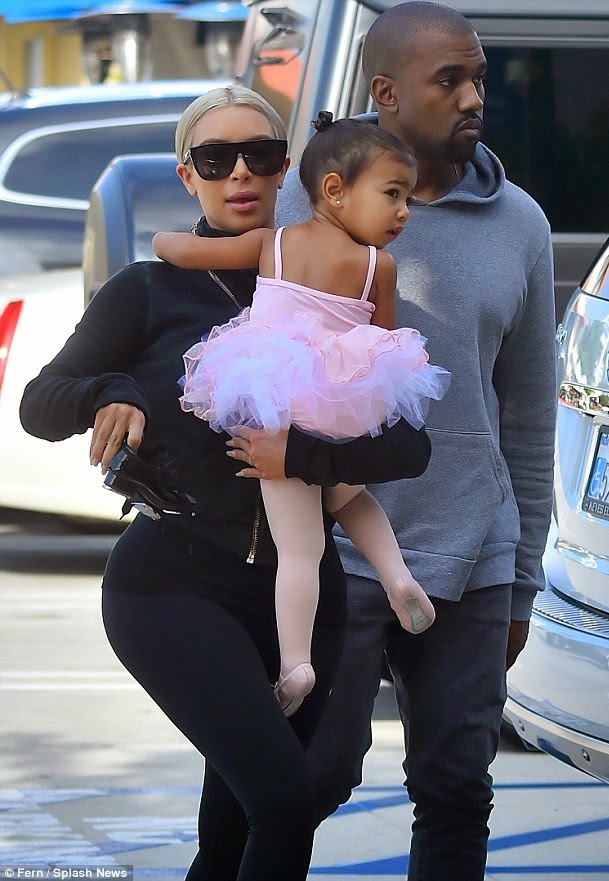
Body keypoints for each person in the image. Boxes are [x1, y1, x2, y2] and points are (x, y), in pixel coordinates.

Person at [18, 85, 433, 881]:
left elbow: (409, 445)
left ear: (287, 170)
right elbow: (40, 402)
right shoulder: (148, 288)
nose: (239, 173)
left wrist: (299, 455)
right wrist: (109, 392)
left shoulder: (341, 274)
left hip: (299, 596)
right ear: (187, 176)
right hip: (172, 582)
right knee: (284, 799)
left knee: (239, 829)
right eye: (215, 159)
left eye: (259, 155)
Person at [273, 3, 557, 879]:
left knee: (457, 790)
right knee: (306, 779)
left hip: (474, 555)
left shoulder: (522, 224)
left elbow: (529, 411)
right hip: (339, 545)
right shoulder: (311, 200)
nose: (475, 97)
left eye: (479, 78)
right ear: (386, 94)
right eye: (449, 81)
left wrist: (522, 576)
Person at [152, 112, 449, 716]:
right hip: (342, 404)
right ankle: (398, 577)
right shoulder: (378, 267)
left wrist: (159, 240)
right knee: (349, 500)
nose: (403, 213)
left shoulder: (275, 243)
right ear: (335, 190)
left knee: (299, 549)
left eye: (405, 199)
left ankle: (295, 664)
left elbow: (188, 251)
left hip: (274, 398)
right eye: (393, 195)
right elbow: (384, 343)